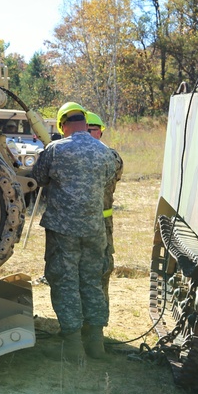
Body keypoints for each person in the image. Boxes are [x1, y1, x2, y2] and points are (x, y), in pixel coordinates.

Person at [31, 101, 119, 361]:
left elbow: (37, 178)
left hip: (63, 229)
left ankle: (72, 346)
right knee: (92, 280)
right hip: (95, 228)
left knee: (65, 280)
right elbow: (107, 182)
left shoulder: (56, 150)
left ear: (63, 125)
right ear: (85, 123)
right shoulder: (106, 152)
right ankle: (95, 343)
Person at [86, 111, 124, 304]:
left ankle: (96, 326)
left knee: (101, 272)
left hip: (101, 224)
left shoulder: (111, 156)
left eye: (90, 130)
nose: (87, 134)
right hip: (87, 224)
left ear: (99, 132)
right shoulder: (111, 156)